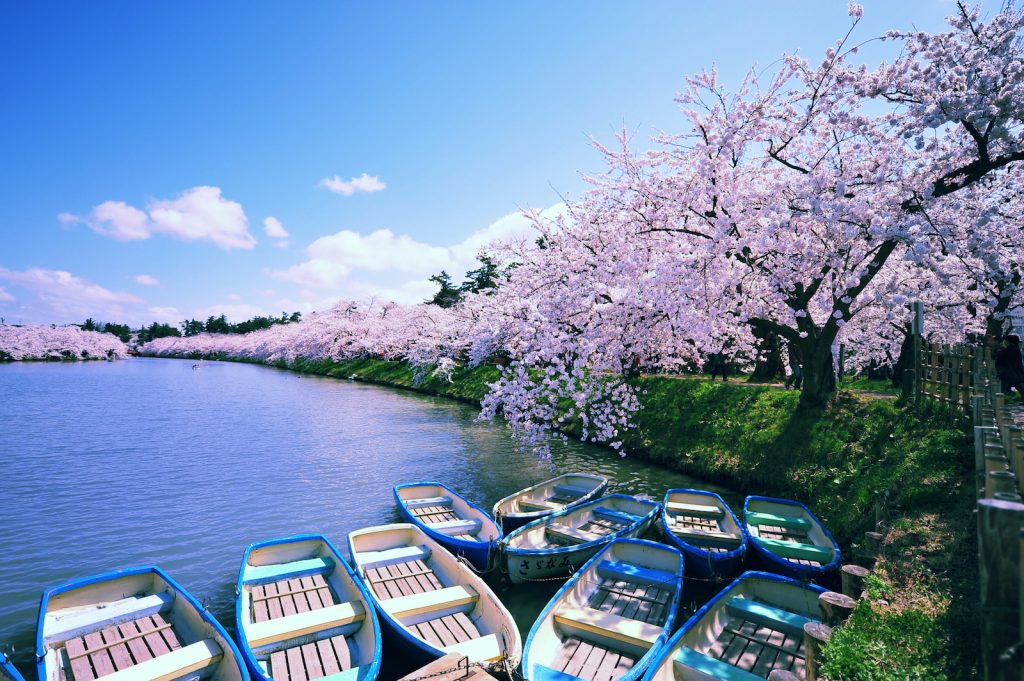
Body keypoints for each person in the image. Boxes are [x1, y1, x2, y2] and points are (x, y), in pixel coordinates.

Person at [995, 335, 1024, 399]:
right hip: (1013, 371)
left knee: (1016, 385)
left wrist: (1000, 351)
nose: (1005, 341)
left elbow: (1003, 359)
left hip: (1009, 371)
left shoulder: (1010, 348)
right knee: (1018, 385)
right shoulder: (1015, 348)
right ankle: (1002, 400)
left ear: (1009, 341)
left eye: (1006, 340)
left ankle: (1000, 401)